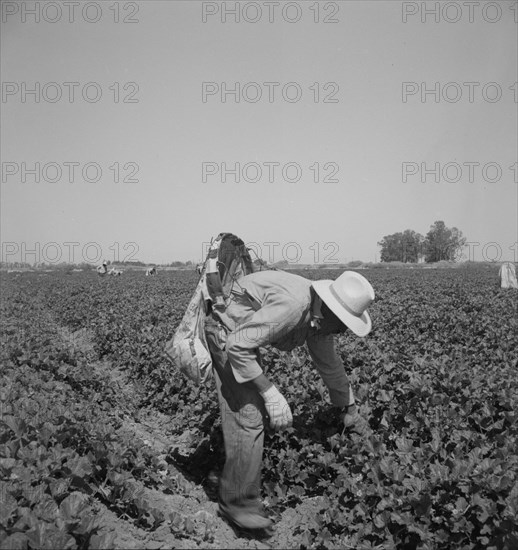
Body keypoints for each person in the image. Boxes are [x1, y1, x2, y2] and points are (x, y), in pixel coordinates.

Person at [204, 268, 375, 533]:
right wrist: (270, 391)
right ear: (331, 310)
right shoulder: (294, 307)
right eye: (343, 324)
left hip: (243, 336)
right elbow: (238, 345)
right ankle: (237, 504)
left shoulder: (320, 320)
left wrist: (350, 408)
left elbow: (330, 365)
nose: (342, 330)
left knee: (251, 411)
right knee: (249, 414)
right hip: (226, 333)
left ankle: (226, 477)